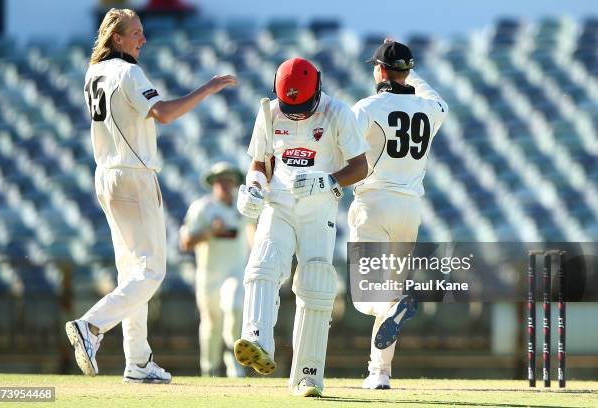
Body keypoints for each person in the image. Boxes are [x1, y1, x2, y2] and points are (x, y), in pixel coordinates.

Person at [65, 8, 236, 383]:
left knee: (132, 273)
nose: (143, 39)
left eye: (142, 31)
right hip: (134, 176)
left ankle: (139, 361)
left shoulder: (94, 72)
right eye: (136, 33)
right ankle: (91, 326)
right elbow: (164, 113)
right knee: (152, 272)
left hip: (106, 174)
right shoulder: (128, 72)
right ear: (117, 39)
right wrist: (207, 88)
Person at [234, 57, 369, 397]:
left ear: (318, 88)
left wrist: (328, 182)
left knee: (316, 284)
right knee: (262, 265)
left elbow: (360, 166)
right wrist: (252, 185)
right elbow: (260, 163)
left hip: (318, 207)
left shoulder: (338, 113)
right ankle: (256, 339)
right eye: (289, 107)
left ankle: (308, 376)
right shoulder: (268, 112)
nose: (295, 115)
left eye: (302, 108)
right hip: (278, 202)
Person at [349, 39, 449, 389]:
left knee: (368, 298)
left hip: (374, 203)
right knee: (390, 294)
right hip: (410, 208)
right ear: (407, 71)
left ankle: (381, 363)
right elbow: (436, 97)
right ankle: (379, 373)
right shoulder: (430, 108)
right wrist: (408, 71)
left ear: (378, 70)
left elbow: (343, 151)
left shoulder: (366, 106)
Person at [178, 162, 255, 378]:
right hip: (208, 276)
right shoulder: (202, 207)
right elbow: (185, 242)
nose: (225, 184)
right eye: (220, 180)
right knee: (211, 323)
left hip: (235, 271)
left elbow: (252, 232)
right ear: (213, 183)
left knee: (235, 306)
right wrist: (210, 231)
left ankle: (234, 363)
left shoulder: (242, 207)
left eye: (229, 180)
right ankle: (209, 369)